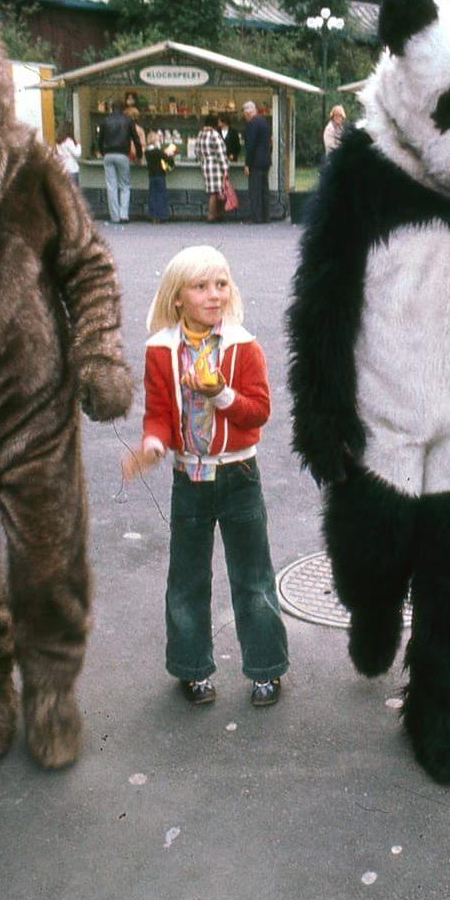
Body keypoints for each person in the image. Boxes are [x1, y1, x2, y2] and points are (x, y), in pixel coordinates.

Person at [122, 246, 288, 708]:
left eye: (221, 284)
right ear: (177, 298)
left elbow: (259, 413)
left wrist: (221, 393)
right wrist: (153, 446)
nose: (215, 295)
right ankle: (192, 668)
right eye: (201, 287)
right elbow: (158, 414)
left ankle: (266, 670)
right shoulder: (160, 351)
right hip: (188, 481)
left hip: (240, 474)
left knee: (253, 576)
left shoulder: (243, 345)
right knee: (187, 577)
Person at [93, 98, 142, 223]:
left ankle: (114, 217)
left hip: (108, 155)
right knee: (125, 186)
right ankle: (124, 215)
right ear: (123, 109)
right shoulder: (128, 120)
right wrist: (139, 155)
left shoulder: (105, 121)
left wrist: (102, 152)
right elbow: (136, 139)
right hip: (122, 155)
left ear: (111, 108)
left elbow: (99, 139)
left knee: (111, 186)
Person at [242, 100, 272, 223]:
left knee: (255, 191)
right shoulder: (264, 122)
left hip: (255, 162)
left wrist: (247, 164)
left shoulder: (251, 124)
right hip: (265, 161)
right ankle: (266, 216)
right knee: (264, 190)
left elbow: (251, 146)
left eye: (245, 113)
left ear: (248, 113)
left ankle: (257, 218)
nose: (244, 116)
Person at [198, 113, 229, 223]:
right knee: (215, 192)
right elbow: (221, 153)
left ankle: (213, 215)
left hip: (206, 165)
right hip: (216, 166)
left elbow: (197, 152)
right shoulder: (214, 135)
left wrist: (202, 161)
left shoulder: (201, 134)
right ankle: (213, 215)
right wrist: (225, 169)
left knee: (212, 192)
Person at [143, 130, 174, 224]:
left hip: (151, 175)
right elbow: (168, 159)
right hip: (160, 175)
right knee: (161, 195)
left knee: (152, 195)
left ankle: (153, 216)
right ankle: (161, 216)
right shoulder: (159, 151)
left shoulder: (147, 152)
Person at [54, 121, 81, 193]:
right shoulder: (69, 141)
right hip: (72, 169)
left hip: (62, 168)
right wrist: (78, 145)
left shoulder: (58, 142)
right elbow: (77, 154)